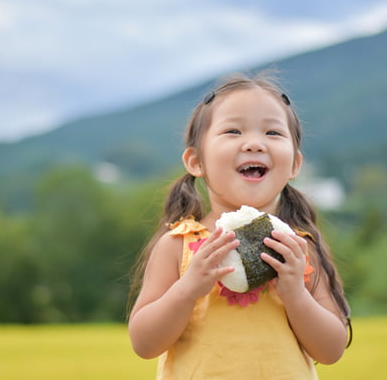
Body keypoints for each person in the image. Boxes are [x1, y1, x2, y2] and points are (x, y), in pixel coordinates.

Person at [128, 72, 351, 379]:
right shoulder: (178, 245)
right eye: (233, 131)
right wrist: (187, 290)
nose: (254, 144)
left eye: (273, 133)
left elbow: (331, 350)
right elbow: (143, 343)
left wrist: (296, 293)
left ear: (295, 164)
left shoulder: (299, 248)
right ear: (196, 161)